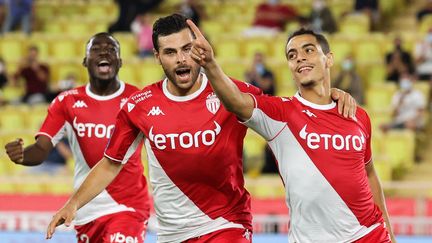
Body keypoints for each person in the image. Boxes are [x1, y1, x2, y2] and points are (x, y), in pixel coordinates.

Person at [45, 14, 356, 242]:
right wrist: (73, 203)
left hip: (227, 225)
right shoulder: (138, 106)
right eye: (170, 52)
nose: (181, 59)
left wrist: (330, 97)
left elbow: (290, 111)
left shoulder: (230, 94)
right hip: (172, 233)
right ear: (157, 57)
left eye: (187, 49)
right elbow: (111, 164)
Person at [186, 22, 396, 242]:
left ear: (329, 59)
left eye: (309, 50)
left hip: (370, 235)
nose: (300, 58)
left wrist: (390, 235)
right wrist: (210, 64)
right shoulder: (280, 113)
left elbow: (369, 173)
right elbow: (236, 102)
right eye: (292, 55)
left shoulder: (358, 116)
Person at [5, 32, 150, 243]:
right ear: (85, 61)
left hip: (129, 206)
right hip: (85, 208)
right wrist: (22, 156)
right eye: (96, 50)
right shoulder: (66, 102)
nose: (104, 53)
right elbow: (41, 149)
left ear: (119, 61)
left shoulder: (137, 100)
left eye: (111, 50)